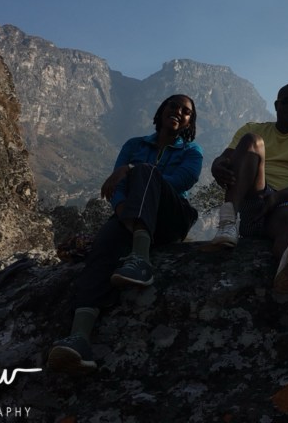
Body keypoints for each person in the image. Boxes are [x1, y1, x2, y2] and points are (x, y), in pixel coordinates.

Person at [47, 94, 202, 374]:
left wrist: (132, 170)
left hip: (172, 217)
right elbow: (115, 189)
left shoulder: (192, 152)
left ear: (190, 122)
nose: (178, 112)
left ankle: (140, 259)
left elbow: (182, 181)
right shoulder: (134, 145)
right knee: (103, 250)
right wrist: (122, 212)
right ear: (161, 110)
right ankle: (80, 338)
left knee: (144, 172)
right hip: (130, 214)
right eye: (173, 106)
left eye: (186, 111)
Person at [207, 82, 288, 294]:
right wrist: (217, 165)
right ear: (276, 105)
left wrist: (277, 197)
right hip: (253, 199)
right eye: (287, 101)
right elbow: (226, 159)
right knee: (252, 141)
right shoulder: (252, 128)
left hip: (285, 204)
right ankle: (227, 223)